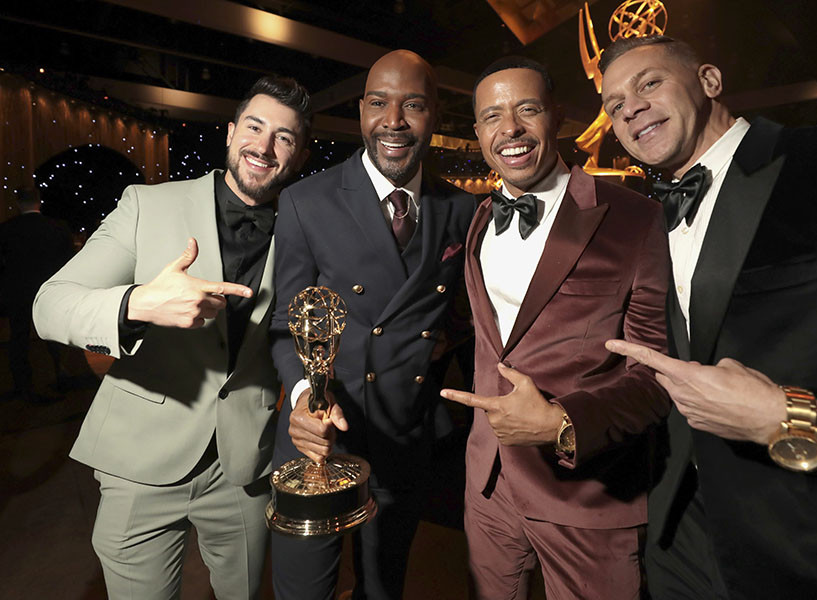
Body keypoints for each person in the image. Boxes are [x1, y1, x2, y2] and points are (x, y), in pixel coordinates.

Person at [599, 35, 817, 599]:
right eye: (614, 105)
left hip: (815, 555)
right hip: (678, 543)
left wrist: (787, 417)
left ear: (709, 81)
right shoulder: (642, 221)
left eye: (649, 83)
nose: (630, 107)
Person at [32, 75, 312, 599]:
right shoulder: (146, 204)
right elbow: (49, 305)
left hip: (243, 468)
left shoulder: (303, 231)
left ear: (295, 157)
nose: (265, 146)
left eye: (285, 138)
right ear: (230, 134)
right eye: (254, 127)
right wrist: (138, 303)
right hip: (139, 461)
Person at [440, 56, 670, 599]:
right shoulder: (478, 218)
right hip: (488, 485)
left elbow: (656, 372)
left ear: (557, 117)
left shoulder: (636, 218)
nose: (510, 129)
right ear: (477, 131)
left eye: (527, 109)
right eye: (493, 116)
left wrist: (565, 424)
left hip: (587, 493)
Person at [269, 49, 475, 600]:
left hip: (401, 438)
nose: (394, 121)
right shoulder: (304, 202)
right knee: (304, 589)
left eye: (414, 105)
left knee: (384, 588)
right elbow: (283, 324)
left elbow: (468, 315)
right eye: (379, 103)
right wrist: (301, 401)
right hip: (318, 437)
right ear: (361, 110)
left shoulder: (463, 210)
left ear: (436, 115)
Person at [0, 187, 73, 401]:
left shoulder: (6, 229)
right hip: (48, 291)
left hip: (18, 291)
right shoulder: (58, 228)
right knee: (53, 336)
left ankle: (22, 385)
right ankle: (61, 376)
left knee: (19, 339)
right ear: (39, 202)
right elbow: (68, 261)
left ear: (18, 202)